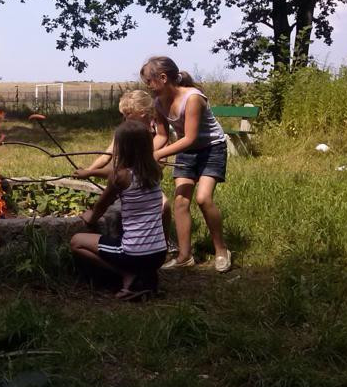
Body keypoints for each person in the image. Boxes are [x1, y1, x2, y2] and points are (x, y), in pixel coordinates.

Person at [141, 56, 231, 272]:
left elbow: (190, 138)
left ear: (163, 78)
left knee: (203, 198)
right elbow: (162, 136)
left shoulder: (192, 98)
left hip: (211, 149)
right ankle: (184, 256)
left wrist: (158, 154)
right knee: (181, 201)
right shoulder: (158, 103)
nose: (148, 87)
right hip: (186, 151)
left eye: (149, 82)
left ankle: (221, 250)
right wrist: (146, 154)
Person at [70, 120, 168, 299]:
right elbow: (120, 173)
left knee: (77, 241)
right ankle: (145, 275)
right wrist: (90, 172)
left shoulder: (120, 177)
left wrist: (90, 217)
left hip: (134, 254)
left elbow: (101, 206)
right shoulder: (154, 170)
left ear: (122, 148)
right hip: (159, 254)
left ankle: (128, 275)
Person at [72, 90, 173, 246]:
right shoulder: (126, 131)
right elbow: (107, 155)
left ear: (142, 112)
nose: (125, 118)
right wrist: (89, 170)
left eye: (128, 114)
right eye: (124, 114)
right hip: (130, 182)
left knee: (165, 207)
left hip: (145, 184)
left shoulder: (156, 133)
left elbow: (159, 163)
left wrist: (90, 173)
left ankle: (164, 243)